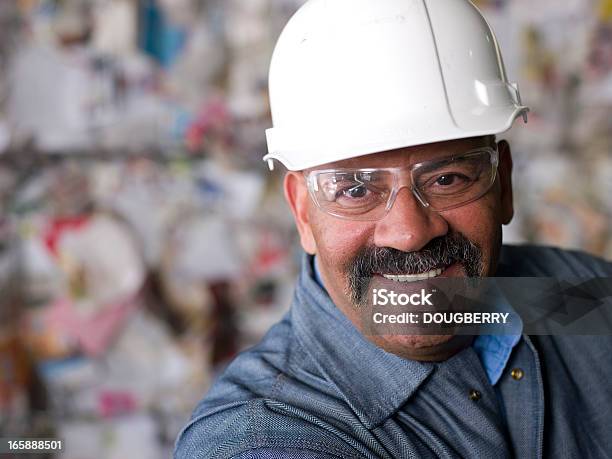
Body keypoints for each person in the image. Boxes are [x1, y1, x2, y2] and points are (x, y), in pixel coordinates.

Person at [175, 0, 612, 457]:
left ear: (503, 184)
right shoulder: (260, 439)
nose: (409, 233)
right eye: (356, 190)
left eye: (447, 179)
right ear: (303, 212)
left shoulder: (573, 296)